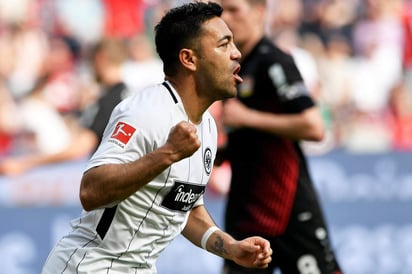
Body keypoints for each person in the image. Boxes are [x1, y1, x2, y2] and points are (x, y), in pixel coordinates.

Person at [41, 2, 272, 274]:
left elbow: (185, 207)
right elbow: (90, 191)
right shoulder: (144, 112)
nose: (236, 53)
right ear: (189, 59)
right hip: (90, 267)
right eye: (224, 45)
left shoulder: (207, 125)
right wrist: (168, 154)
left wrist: (230, 247)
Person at [218, 0, 343, 273]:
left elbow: (314, 126)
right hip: (247, 210)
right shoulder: (235, 66)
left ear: (259, 13)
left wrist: (247, 118)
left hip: (286, 208)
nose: (225, 17)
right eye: (221, 9)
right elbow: (250, 139)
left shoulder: (273, 60)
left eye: (234, 9)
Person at [0, 38, 129, 175]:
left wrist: (25, 164)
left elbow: (82, 146)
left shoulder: (110, 101)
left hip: (111, 180)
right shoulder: (129, 97)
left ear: (101, 58)